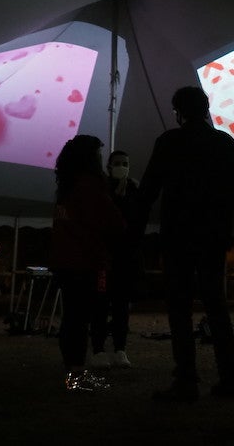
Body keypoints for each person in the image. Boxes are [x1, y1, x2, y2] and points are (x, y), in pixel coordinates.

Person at [136, 86, 234, 402]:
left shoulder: (169, 142)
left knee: (179, 309)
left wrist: (134, 236)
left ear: (179, 112)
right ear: (206, 109)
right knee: (216, 306)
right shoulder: (224, 143)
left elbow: (147, 192)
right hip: (213, 237)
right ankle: (230, 378)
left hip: (177, 238)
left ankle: (186, 381)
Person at [50, 135, 126, 391]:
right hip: (87, 262)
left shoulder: (66, 187)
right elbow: (112, 223)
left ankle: (73, 371)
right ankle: (77, 376)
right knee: (82, 318)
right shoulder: (91, 187)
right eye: (98, 154)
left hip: (65, 261)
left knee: (71, 317)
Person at [90, 150, 143, 369]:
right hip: (103, 257)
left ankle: (121, 350)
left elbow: (136, 219)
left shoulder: (133, 188)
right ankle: (99, 350)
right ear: (109, 167)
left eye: (125, 163)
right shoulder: (101, 189)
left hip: (125, 258)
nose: (122, 167)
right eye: (118, 163)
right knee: (100, 305)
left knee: (121, 306)